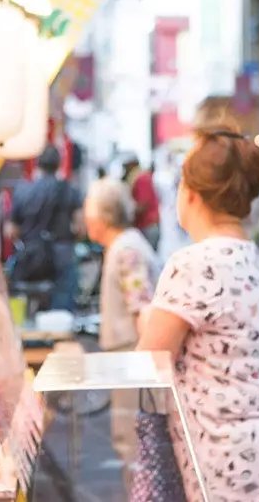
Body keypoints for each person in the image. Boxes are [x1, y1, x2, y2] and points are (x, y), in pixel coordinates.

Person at [138, 125, 259, 502]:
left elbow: (149, 361)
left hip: (231, 476)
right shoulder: (249, 256)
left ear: (189, 194)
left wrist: (145, 319)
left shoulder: (193, 262)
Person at [82, 177, 160, 487]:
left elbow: (142, 308)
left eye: (89, 213)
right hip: (128, 358)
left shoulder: (127, 249)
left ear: (102, 216)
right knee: (128, 440)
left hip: (132, 358)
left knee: (132, 442)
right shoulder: (122, 246)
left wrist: (147, 366)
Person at [6, 145, 82, 311]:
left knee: (28, 308)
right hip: (62, 255)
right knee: (61, 312)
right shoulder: (69, 190)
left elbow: (11, 231)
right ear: (59, 164)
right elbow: (80, 227)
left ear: (37, 164)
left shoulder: (23, 190)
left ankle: (33, 337)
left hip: (29, 257)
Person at [129, 160, 162, 250]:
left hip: (148, 225)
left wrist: (129, 215)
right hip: (149, 225)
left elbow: (144, 204)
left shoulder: (141, 178)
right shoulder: (142, 177)